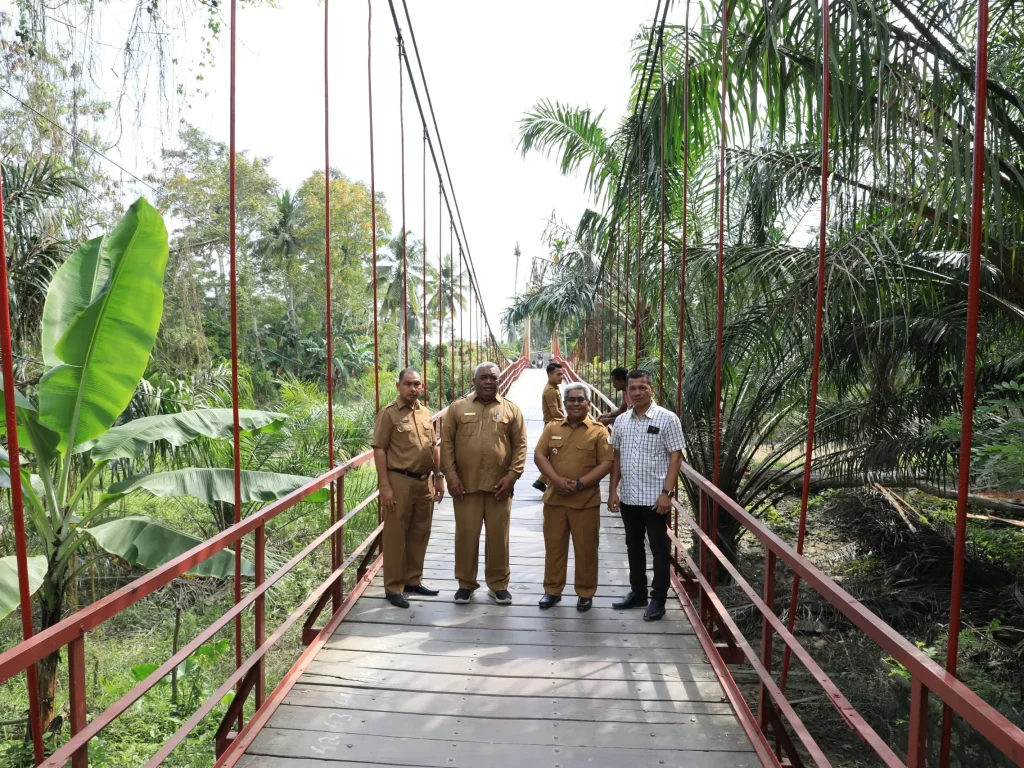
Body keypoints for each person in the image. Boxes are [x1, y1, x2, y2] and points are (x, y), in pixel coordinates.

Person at [441, 361, 527, 605]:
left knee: (499, 537)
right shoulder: (457, 408)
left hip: (500, 487)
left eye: (493, 378)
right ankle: (466, 585)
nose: (489, 382)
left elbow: (520, 446)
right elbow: (446, 444)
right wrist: (451, 477)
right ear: (474, 380)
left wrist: (512, 476)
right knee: (466, 536)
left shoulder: (512, 410)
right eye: (483, 377)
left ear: (499, 381)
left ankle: (498, 585)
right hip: (465, 487)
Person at [607, 369, 684, 621]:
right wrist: (612, 492)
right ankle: (638, 592)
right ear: (626, 392)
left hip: (655, 499)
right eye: (633, 388)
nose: (637, 392)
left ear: (653, 389)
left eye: (643, 387)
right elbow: (616, 457)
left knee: (660, 549)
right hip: (628, 496)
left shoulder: (667, 419)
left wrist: (666, 493)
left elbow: (676, 457)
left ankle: (658, 599)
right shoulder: (621, 422)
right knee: (633, 546)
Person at [533, 382, 614, 612]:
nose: (576, 403)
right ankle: (552, 591)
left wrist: (579, 484)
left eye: (581, 400)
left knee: (586, 550)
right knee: (555, 548)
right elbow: (540, 455)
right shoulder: (552, 427)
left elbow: (607, 463)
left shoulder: (599, 431)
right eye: (571, 400)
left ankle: (585, 593)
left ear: (588, 404)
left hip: (585, 501)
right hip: (555, 500)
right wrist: (557, 481)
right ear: (565, 403)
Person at [371, 368, 446, 608]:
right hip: (399, 481)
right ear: (398, 386)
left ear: (422, 387)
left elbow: (433, 446)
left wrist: (439, 475)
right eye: (407, 384)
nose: (413, 388)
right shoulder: (388, 414)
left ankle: (414, 579)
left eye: (417, 384)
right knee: (395, 536)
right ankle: (394, 587)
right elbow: (379, 449)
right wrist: (385, 485)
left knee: (420, 532)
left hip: (424, 481)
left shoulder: (425, 413)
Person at [532, 361, 566, 493]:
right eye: (558, 374)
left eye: (562, 374)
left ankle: (541, 481)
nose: (561, 377)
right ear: (549, 375)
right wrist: (570, 421)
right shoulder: (550, 391)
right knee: (556, 455)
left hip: (554, 424)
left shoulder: (555, 388)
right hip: (553, 426)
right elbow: (554, 413)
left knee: (555, 455)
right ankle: (541, 481)